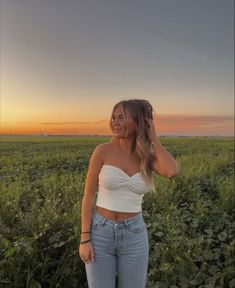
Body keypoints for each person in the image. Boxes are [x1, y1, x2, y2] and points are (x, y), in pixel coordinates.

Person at [78, 99, 179, 288]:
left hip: (134, 234)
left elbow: (171, 171)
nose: (115, 123)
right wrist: (85, 237)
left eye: (122, 118)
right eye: (113, 117)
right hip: (100, 233)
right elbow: (89, 196)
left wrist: (153, 139)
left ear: (139, 122)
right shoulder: (102, 151)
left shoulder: (147, 157)